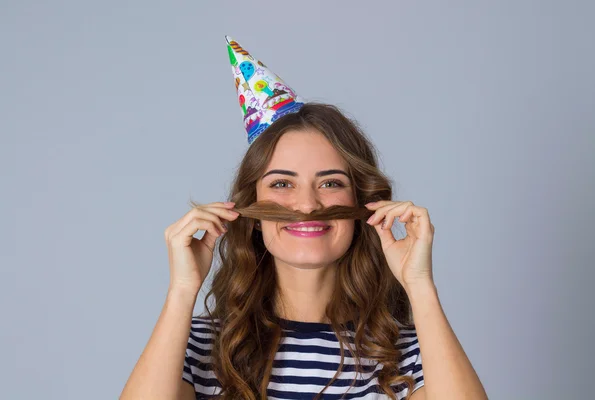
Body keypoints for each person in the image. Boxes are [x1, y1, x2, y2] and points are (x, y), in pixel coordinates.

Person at [120, 36, 488, 400]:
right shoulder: (198, 348)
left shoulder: (408, 354)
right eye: (282, 183)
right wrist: (183, 291)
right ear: (252, 210)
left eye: (330, 182)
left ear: (363, 205)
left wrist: (419, 284)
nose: (307, 205)